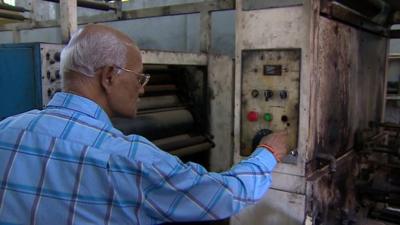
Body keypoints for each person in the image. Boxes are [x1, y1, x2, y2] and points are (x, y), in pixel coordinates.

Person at [0, 24, 288, 225]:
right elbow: (224, 195)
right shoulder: (129, 159)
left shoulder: (6, 131)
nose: (143, 89)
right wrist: (268, 151)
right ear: (109, 76)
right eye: (139, 78)